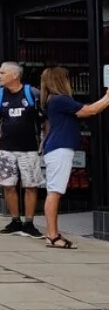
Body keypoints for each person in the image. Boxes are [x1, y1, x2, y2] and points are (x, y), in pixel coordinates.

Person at [40, 67, 109, 249]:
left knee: (54, 191)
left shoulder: (53, 100)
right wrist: (107, 97)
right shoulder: (60, 99)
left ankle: (52, 234)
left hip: (57, 148)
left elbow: (82, 112)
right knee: (55, 192)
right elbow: (90, 110)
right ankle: (52, 235)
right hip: (60, 148)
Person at [0, 62, 45, 238]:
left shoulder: (33, 94)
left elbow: (45, 119)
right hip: (6, 148)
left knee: (31, 185)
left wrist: (44, 139)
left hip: (29, 148)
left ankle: (29, 223)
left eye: (2, 73)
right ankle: (15, 221)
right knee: (8, 185)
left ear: (15, 75)